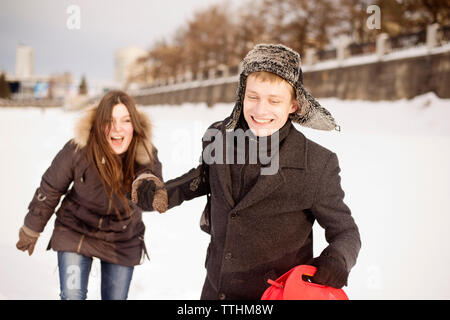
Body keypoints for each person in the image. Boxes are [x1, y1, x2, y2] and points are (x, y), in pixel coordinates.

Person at [133, 44, 361, 300]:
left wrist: (337, 258)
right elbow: (205, 178)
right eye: (253, 97)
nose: (260, 110)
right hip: (216, 290)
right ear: (242, 94)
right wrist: (162, 193)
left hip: (274, 294)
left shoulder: (317, 163)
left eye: (274, 100)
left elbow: (346, 231)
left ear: (294, 105)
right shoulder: (219, 136)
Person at [16, 90, 167, 300]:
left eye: (125, 120)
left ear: (134, 126)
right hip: (76, 229)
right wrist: (32, 228)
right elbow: (51, 187)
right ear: (98, 124)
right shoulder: (78, 149)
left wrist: (147, 188)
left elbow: (149, 182)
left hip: (122, 236)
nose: (117, 128)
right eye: (110, 120)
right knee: (72, 296)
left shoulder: (144, 153)